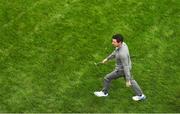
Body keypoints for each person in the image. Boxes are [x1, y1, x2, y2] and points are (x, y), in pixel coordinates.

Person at [94, 34, 146, 101]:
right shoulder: (123, 44)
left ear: (119, 42)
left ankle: (104, 93)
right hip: (128, 66)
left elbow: (126, 67)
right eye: (112, 41)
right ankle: (141, 95)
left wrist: (127, 80)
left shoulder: (122, 54)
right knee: (132, 81)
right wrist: (107, 59)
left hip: (121, 70)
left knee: (107, 78)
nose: (112, 43)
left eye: (114, 42)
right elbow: (115, 52)